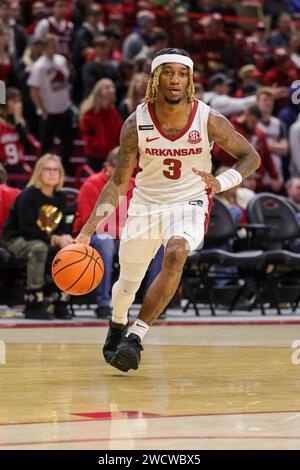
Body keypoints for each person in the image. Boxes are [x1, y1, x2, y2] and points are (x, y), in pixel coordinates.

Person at [75, 48, 260, 372]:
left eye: (182, 73)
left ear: (189, 80)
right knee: (128, 284)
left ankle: (136, 336)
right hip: (146, 204)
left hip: (190, 201)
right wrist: (87, 231)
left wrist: (221, 182)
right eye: (168, 72)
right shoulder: (136, 124)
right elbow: (118, 183)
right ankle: (118, 322)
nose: (175, 79)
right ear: (155, 79)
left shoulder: (208, 119)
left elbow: (250, 157)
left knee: (176, 252)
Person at [2, 154, 73, 319]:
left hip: (42, 239)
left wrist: (66, 238)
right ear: (39, 172)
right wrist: (55, 239)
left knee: (70, 249)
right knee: (39, 248)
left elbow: (61, 227)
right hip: (16, 239)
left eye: (56, 170)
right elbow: (27, 229)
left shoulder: (61, 198)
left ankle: (60, 301)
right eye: (48, 169)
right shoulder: (28, 195)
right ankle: (34, 302)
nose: (52, 173)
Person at [80, 78, 123, 172]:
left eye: (112, 87)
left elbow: (120, 133)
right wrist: (100, 145)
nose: (111, 90)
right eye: (107, 87)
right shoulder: (89, 113)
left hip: (111, 156)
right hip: (94, 155)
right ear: (99, 91)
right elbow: (87, 135)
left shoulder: (115, 114)